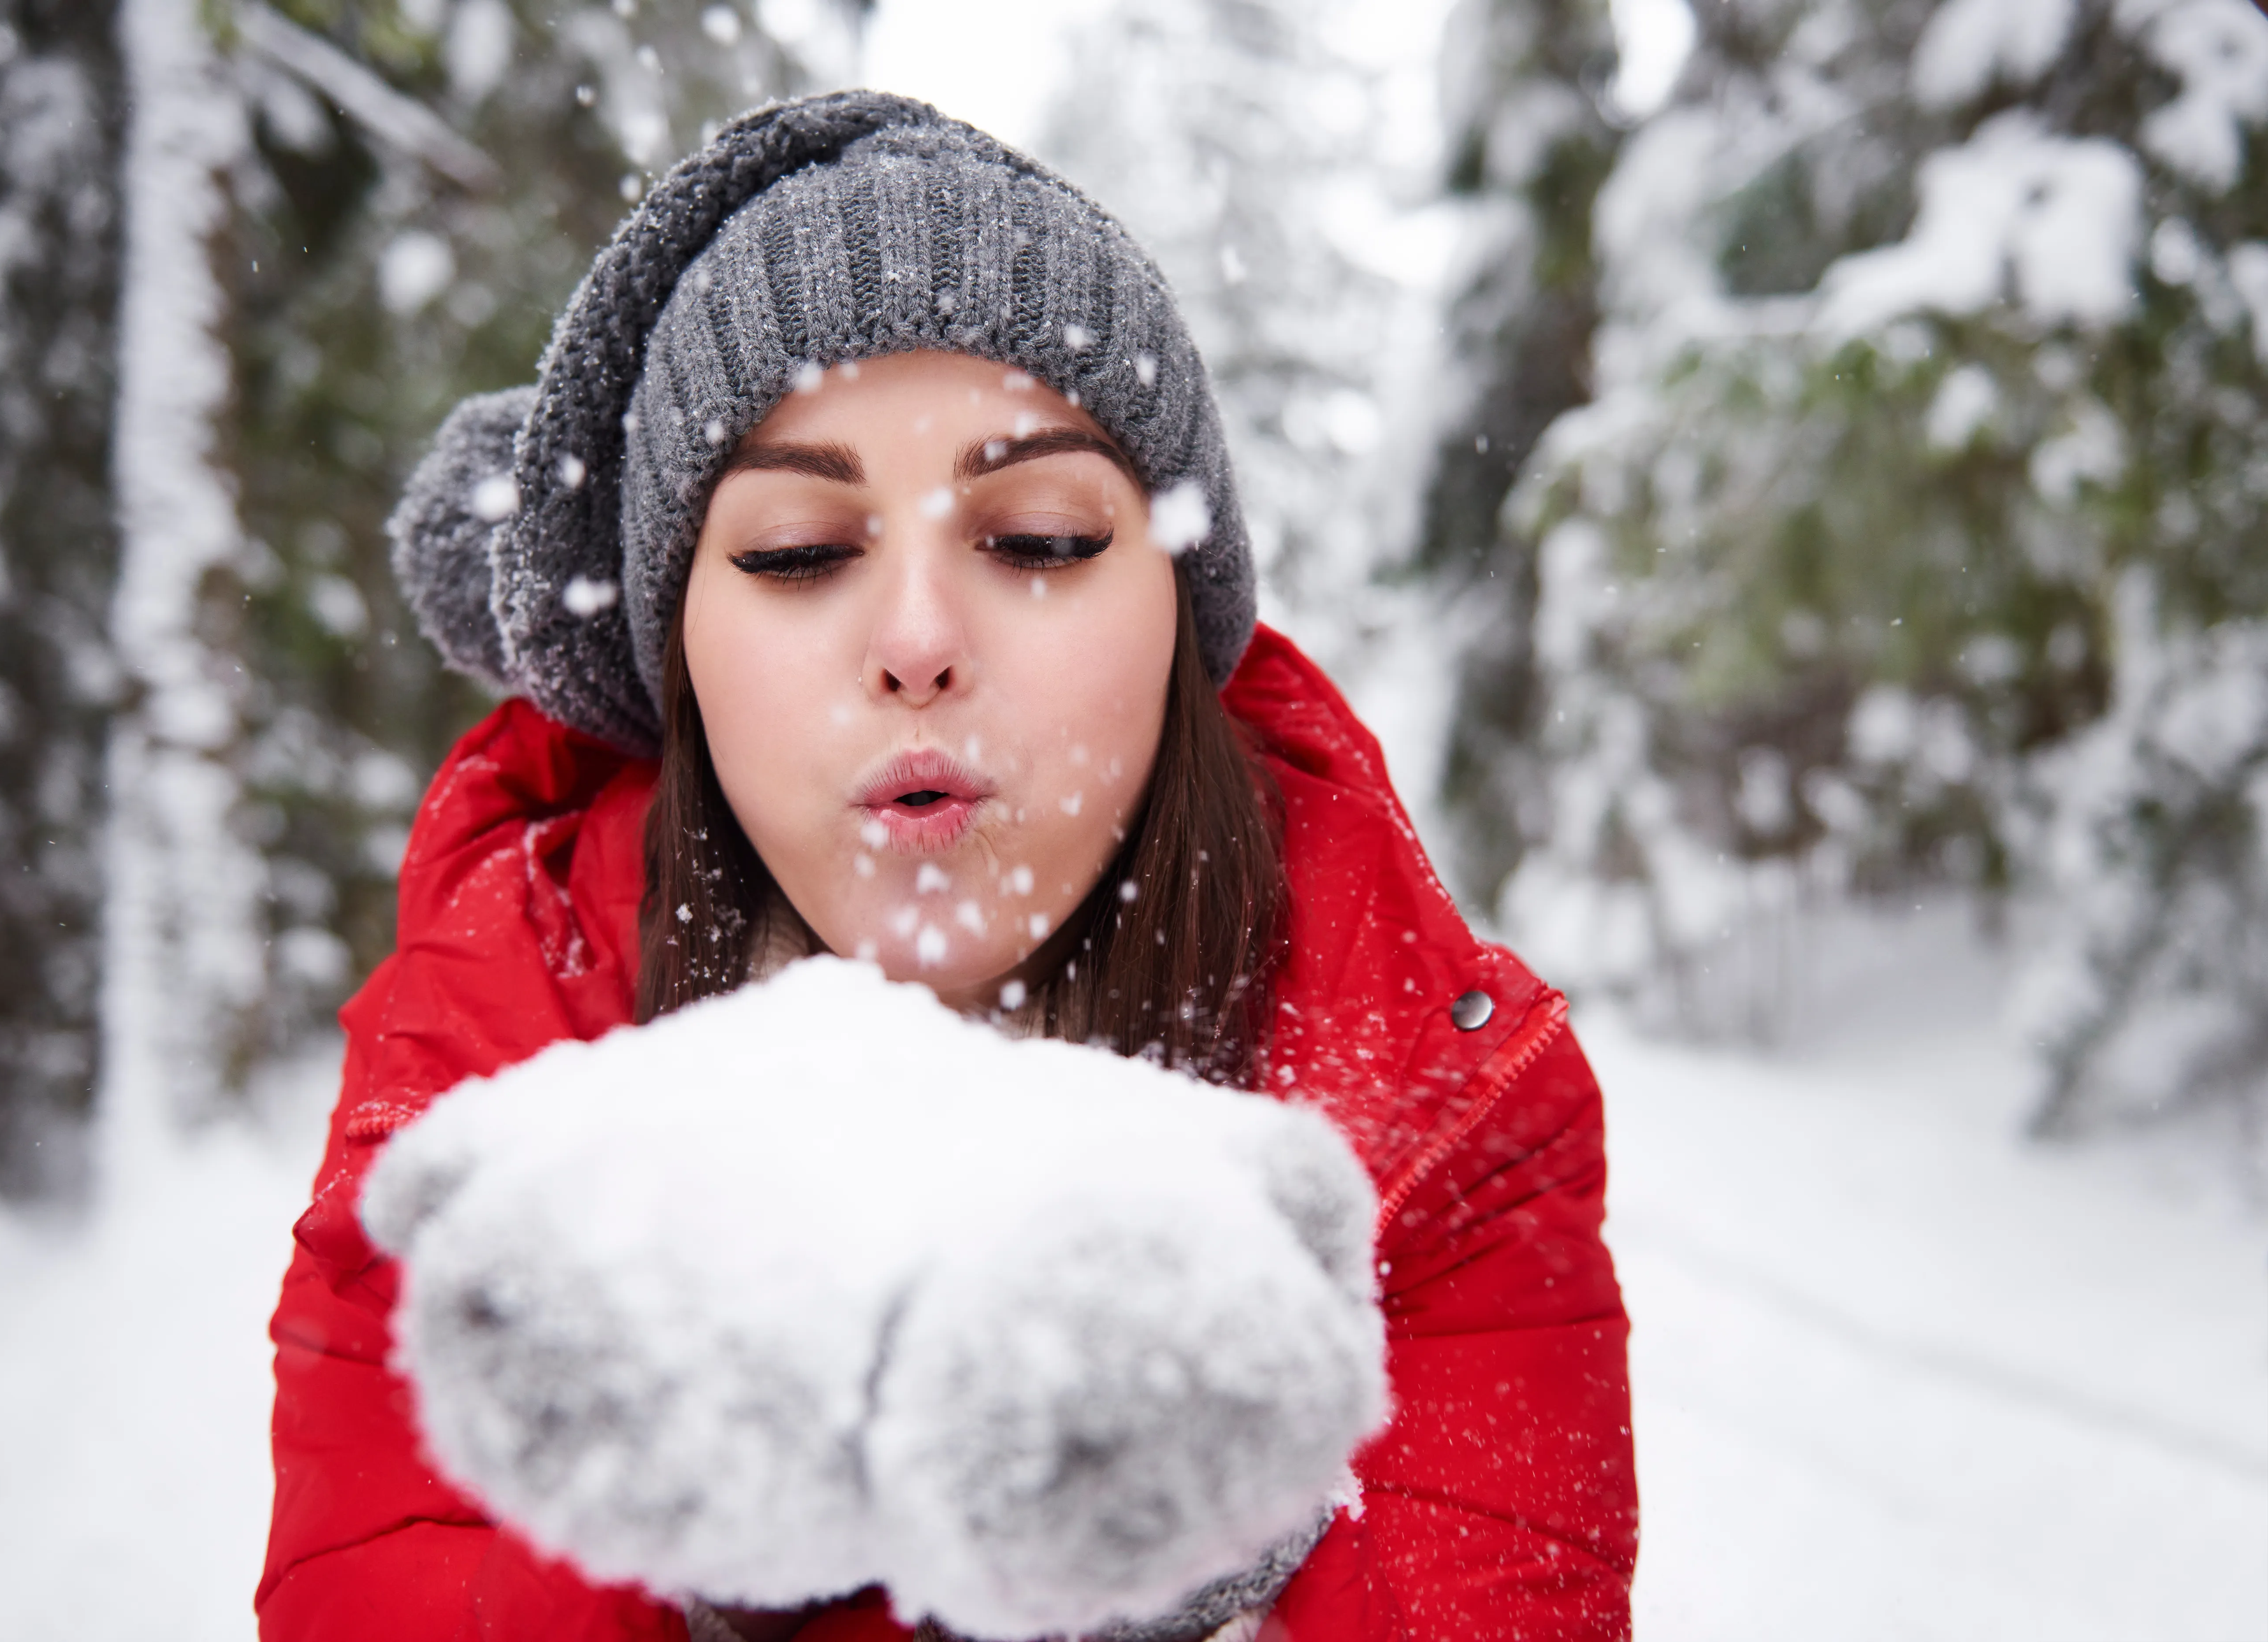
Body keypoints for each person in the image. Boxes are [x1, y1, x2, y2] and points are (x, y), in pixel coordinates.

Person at [258, 91, 1635, 1642]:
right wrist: (708, 1546)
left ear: (1176, 628)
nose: (917, 642)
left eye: (1038, 537)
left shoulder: (1450, 1134)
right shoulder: (481, 1119)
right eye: (796, 551)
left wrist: (1187, 1556)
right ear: (680, 656)